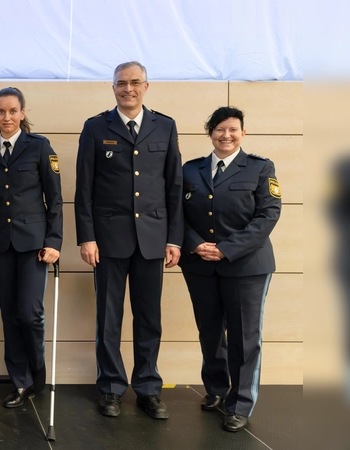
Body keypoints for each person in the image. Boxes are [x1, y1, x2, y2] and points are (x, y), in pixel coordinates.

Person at [74, 61, 183, 420]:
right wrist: (87, 237)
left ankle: (149, 388)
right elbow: (84, 190)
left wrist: (174, 239)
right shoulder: (94, 128)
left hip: (153, 240)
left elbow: (174, 188)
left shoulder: (164, 127)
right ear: (113, 88)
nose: (128, 89)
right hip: (107, 241)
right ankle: (110, 387)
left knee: (149, 318)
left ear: (146, 86)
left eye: (135, 82)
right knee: (109, 318)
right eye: (121, 83)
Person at [179, 106, 281, 432]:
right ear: (210, 132)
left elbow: (268, 215)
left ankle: (240, 404)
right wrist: (195, 244)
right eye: (220, 129)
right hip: (199, 265)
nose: (226, 135)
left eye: (233, 129)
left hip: (246, 266)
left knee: (243, 337)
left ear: (243, 133)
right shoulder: (190, 170)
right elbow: (175, 213)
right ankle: (217, 390)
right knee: (209, 332)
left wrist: (226, 249)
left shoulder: (261, 167)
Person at [0, 87, 62, 408]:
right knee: (10, 315)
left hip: (33, 244)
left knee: (30, 313)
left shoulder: (39, 147)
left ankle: (37, 372)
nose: (6, 117)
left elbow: (54, 200)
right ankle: (20, 381)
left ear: (22, 113)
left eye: (12, 111)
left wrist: (54, 242)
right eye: (1, 112)